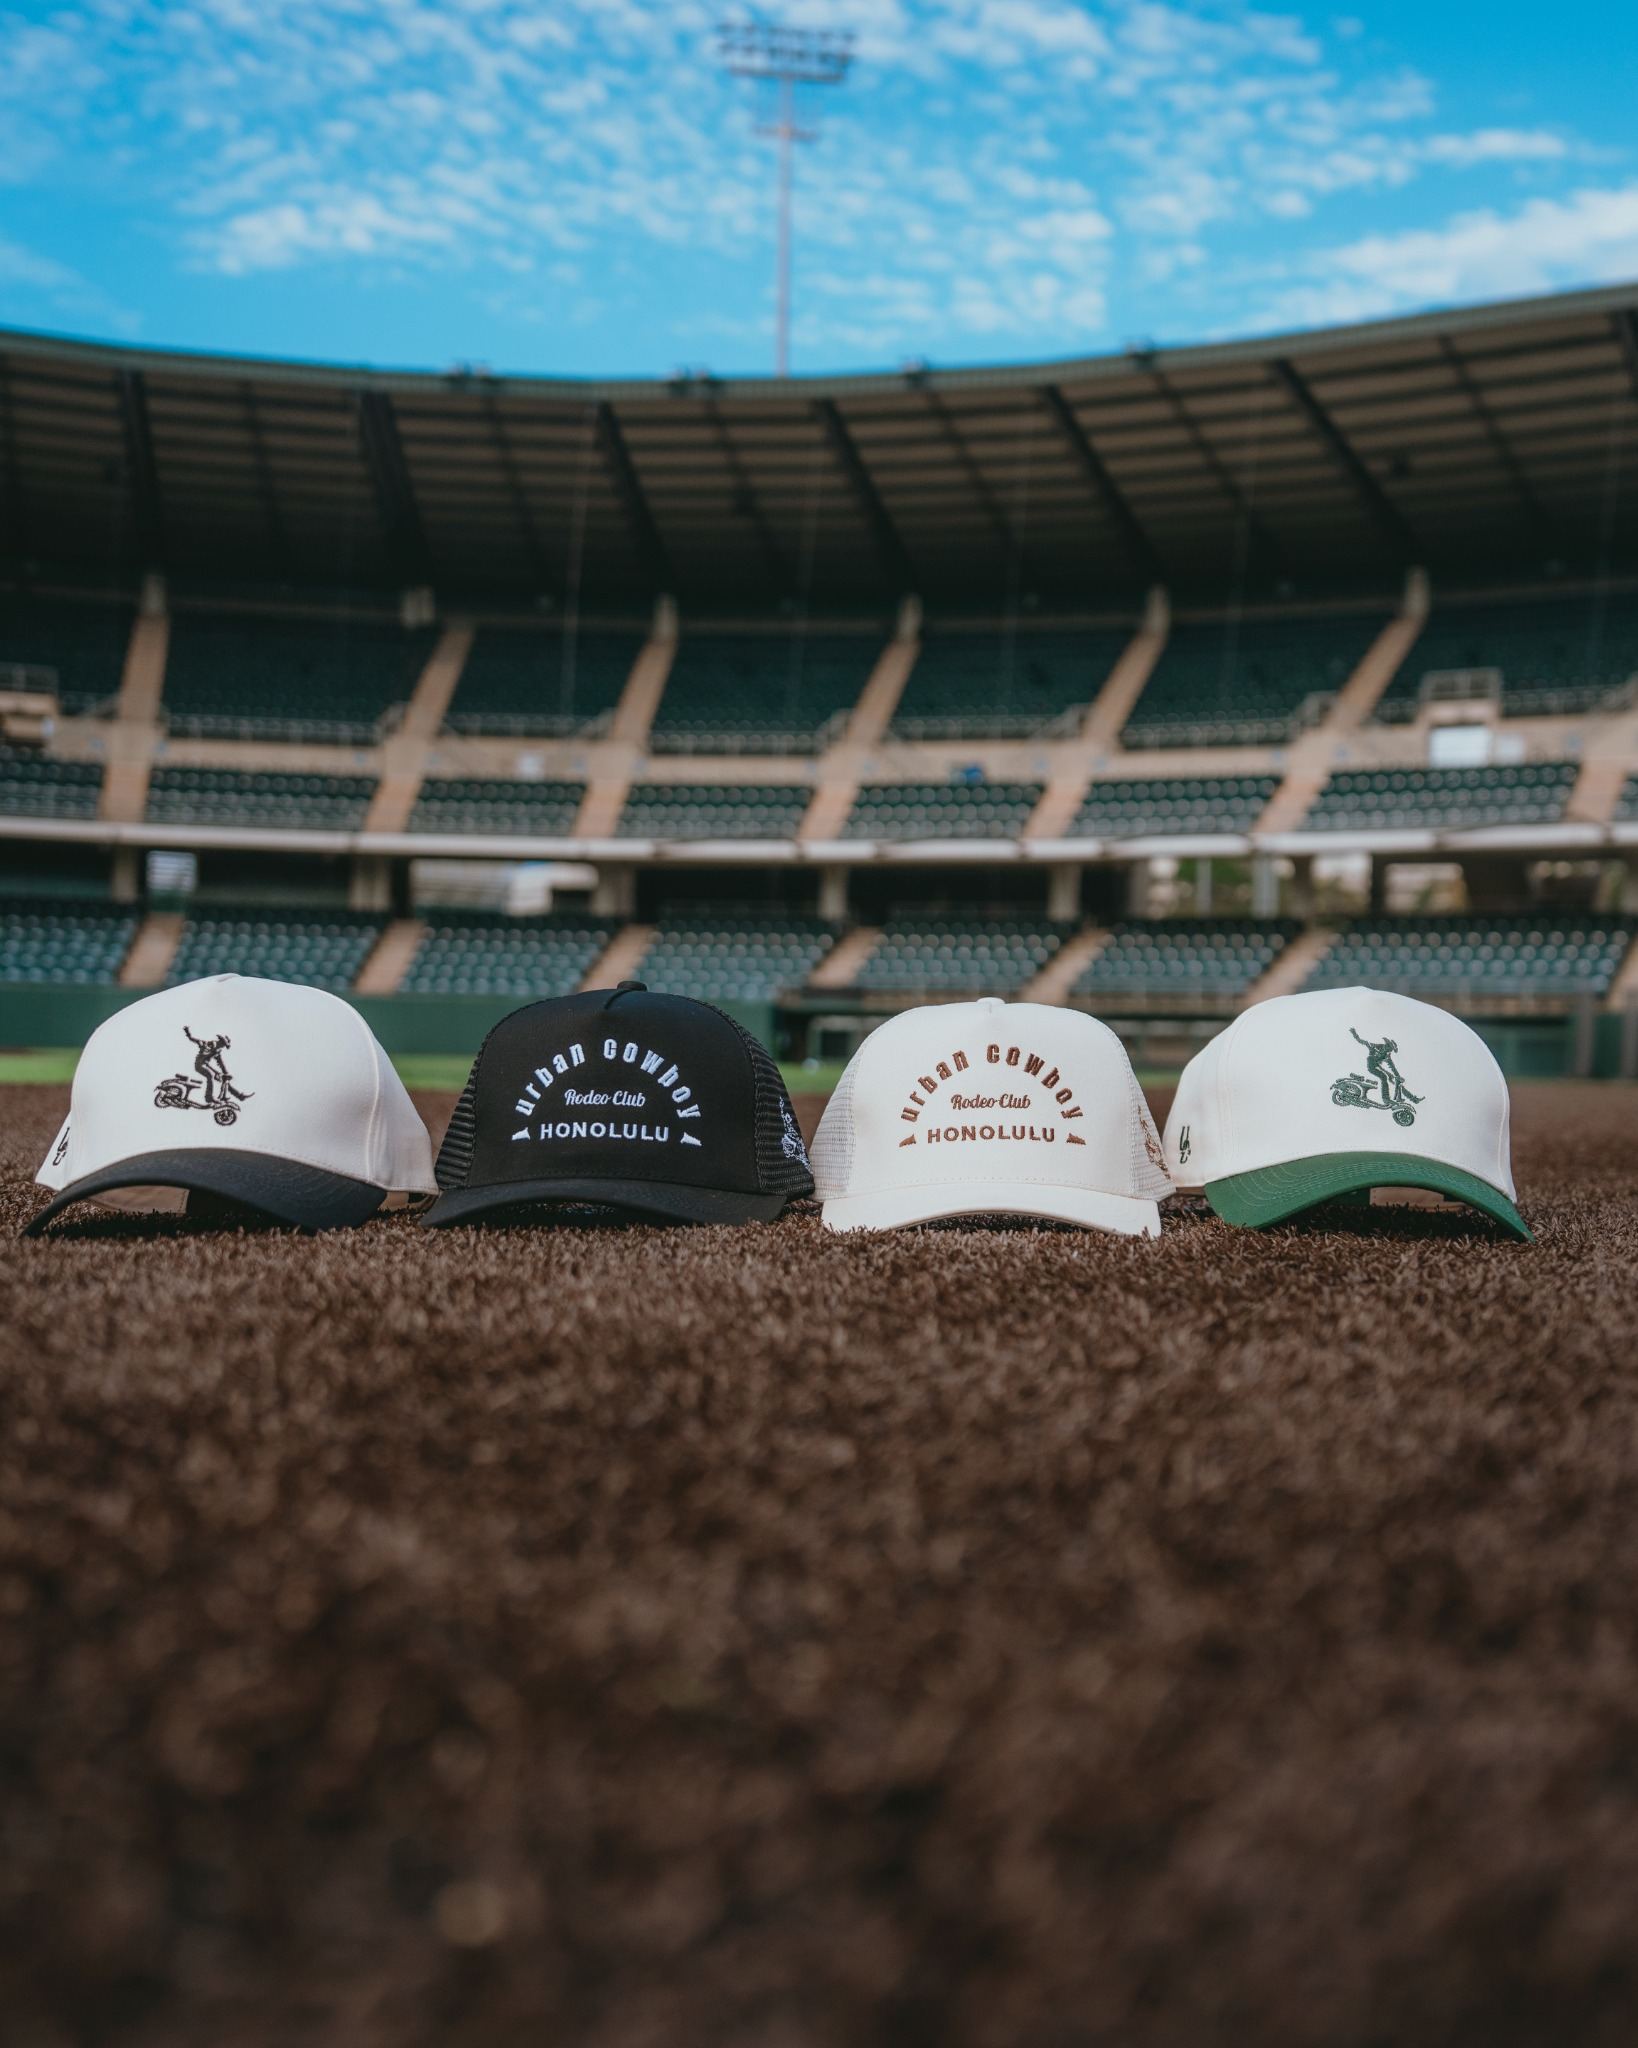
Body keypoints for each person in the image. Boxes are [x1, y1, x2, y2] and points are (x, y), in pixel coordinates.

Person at [1349, 1026, 1419, 1110]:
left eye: (1390, 1049)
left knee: (1395, 1080)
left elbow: (1392, 1066)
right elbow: (1362, 1042)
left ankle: (1412, 1098)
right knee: (1384, 1077)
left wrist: (1398, 1076)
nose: (1388, 1049)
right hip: (1372, 1066)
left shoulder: (1386, 1055)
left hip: (1378, 1067)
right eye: (1388, 1047)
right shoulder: (1375, 1046)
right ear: (1385, 1045)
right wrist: (1354, 1034)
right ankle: (1385, 1098)